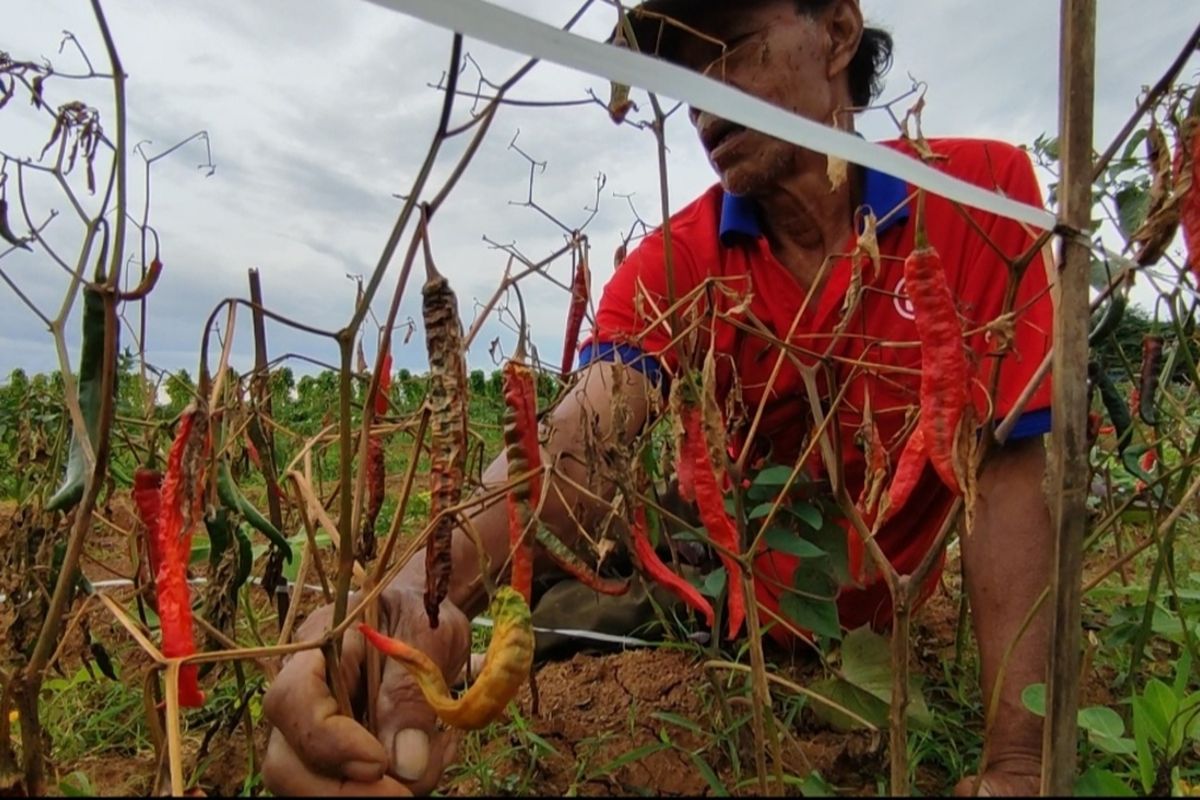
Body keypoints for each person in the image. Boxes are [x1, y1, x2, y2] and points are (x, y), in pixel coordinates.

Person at [262, 0, 1057, 795]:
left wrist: (1019, 762)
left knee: (587, 608)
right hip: (719, 581)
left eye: (735, 48)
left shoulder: (980, 202)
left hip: (859, 615)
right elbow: (576, 443)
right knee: (589, 607)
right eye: (686, 72)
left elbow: (1015, 474)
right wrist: (407, 597)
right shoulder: (678, 262)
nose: (707, 98)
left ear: (839, 34)